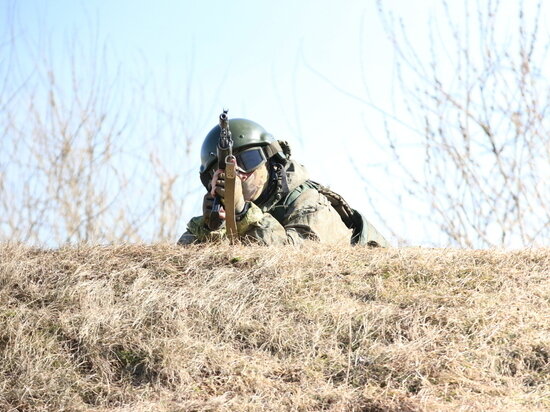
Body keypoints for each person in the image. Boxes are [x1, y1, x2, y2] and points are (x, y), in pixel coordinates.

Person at [178, 117, 389, 247]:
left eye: (249, 161)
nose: (239, 174)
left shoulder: (309, 202)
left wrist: (242, 213)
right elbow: (184, 271)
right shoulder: (218, 215)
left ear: (270, 162)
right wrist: (211, 229)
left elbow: (291, 263)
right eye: (222, 170)